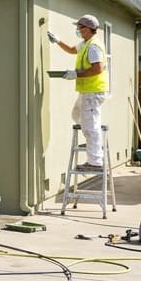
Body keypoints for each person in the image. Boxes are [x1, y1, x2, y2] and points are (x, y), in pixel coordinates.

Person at [51, 14, 108, 170]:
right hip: (87, 91)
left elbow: (98, 68)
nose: (78, 30)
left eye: (80, 27)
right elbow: (71, 49)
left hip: (93, 91)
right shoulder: (85, 44)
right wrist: (57, 40)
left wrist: (76, 73)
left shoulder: (93, 46)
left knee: (91, 126)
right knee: (76, 114)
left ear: (89, 29)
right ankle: (91, 142)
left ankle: (95, 162)